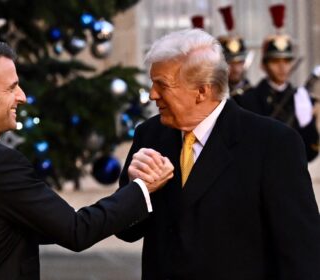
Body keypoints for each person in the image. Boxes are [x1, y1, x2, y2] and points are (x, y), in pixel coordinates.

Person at [0, 42, 174, 280]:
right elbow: (77, 231)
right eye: (11, 87)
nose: (22, 96)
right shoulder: (0, 163)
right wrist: (141, 188)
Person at [116, 28, 320, 279]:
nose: (152, 94)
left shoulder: (273, 144)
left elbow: (302, 253)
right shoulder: (150, 135)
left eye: (162, 85)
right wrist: (135, 190)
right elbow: (126, 231)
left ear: (202, 90)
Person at [239, 4, 319, 161]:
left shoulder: (301, 98)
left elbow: (311, 152)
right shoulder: (248, 100)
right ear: (264, 64)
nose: (282, 67)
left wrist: (307, 124)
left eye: (287, 61)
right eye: (275, 61)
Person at [217, 5, 252, 103]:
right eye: (230, 62)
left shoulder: (256, 95)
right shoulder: (214, 96)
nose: (236, 69)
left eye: (239, 62)